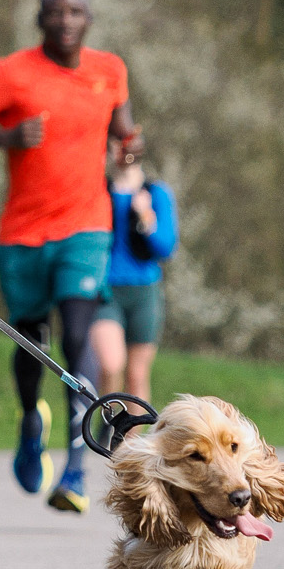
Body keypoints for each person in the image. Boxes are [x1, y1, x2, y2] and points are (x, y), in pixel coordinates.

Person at [0, 0, 139, 515]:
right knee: (32, 340)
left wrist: (129, 143)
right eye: (55, 11)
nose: (66, 20)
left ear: (89, 20)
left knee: (79, 337)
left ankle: (76, 469)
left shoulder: (110, 70)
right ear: (40, 19)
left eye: (76, 11)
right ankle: (32, 419)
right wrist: (4, 138)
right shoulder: (9, 75)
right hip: (23, 235)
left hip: (86, 227)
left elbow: (120, 124)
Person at [89, 138, 178, 408]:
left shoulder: (156, 193)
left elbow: (166, 247)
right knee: (110, 363)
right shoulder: (99, 192)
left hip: (144, 292)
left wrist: (146, 215)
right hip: (105, 291)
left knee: (137, 375)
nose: (121, 151)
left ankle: (130, 446)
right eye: (115, 145)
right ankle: (109, 419)